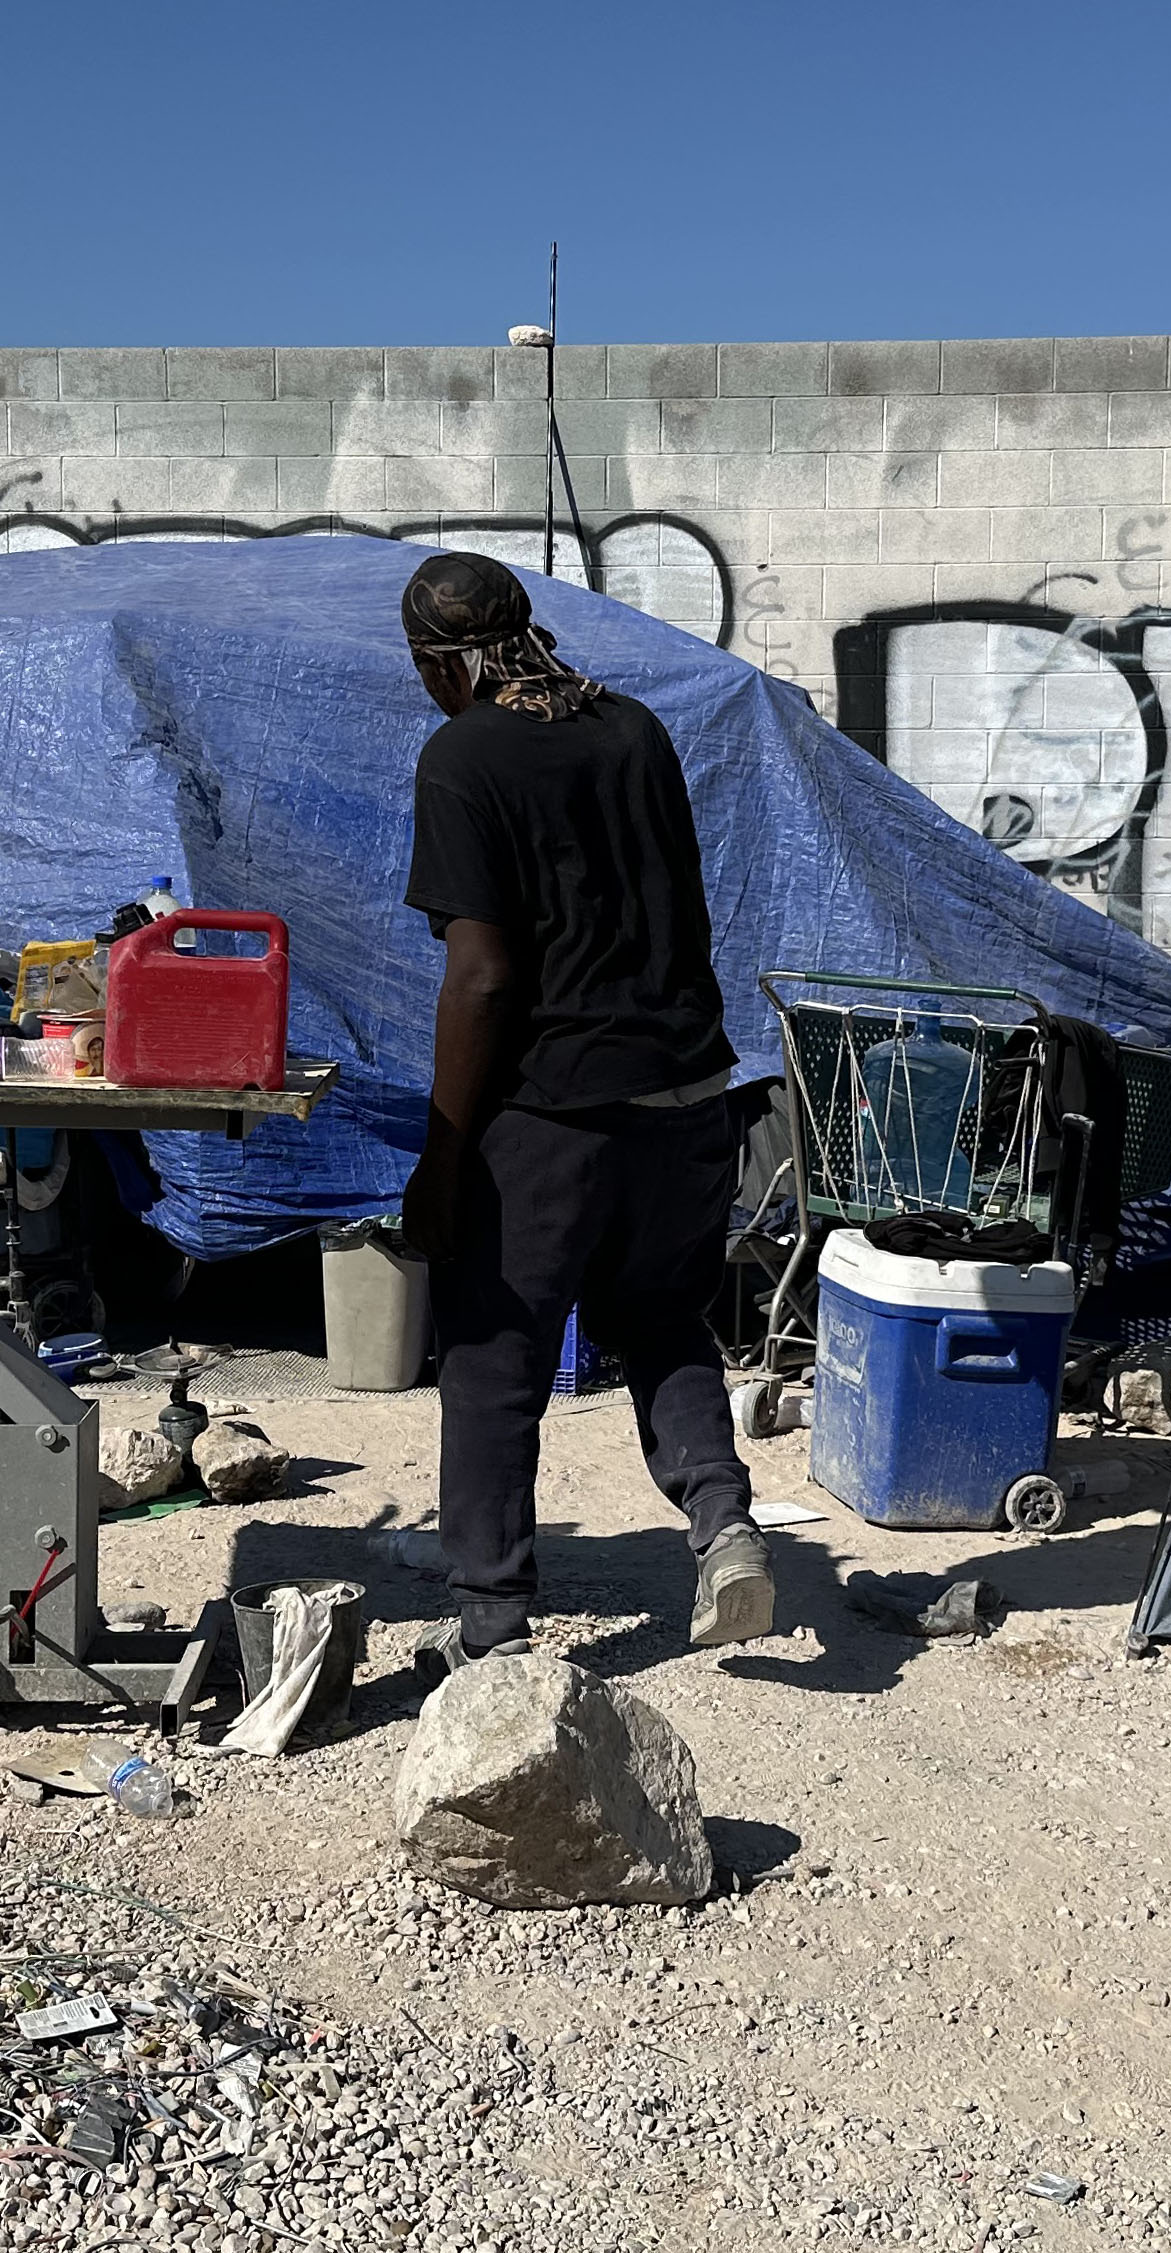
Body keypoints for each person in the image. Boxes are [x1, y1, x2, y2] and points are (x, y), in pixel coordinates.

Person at [396, 551, 773, 1673]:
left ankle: (491, 1622)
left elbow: (482, 975)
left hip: (555, 1109)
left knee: (492, 1355)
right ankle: (725, 1524)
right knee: (660, 1317)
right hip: (688, 1089)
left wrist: (446, 1153)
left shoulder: (462, 756)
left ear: (438, 660)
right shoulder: (635, 729)